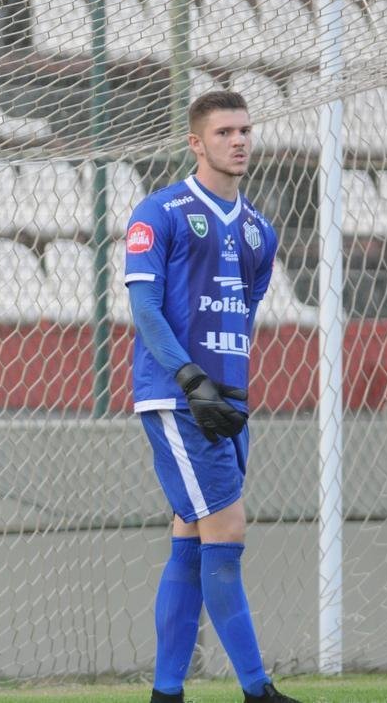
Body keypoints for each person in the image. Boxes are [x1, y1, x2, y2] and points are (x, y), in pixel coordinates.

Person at [122, 91, 301, 703]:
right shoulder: (160, 211)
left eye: (245, 130)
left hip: (229, 398)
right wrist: (189, 380)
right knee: (227, 529)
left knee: (193, 534)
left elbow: (244, 315)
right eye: (224, 132)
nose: (239, 141)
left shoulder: (260, 232)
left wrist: (223, 388)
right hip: (177, 397)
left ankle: (166, 692)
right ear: (196, 143)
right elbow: (144, 308)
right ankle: (258, 689)